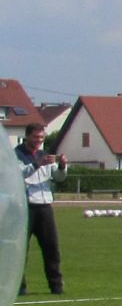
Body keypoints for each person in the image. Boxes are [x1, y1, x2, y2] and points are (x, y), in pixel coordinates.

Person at [14, 124, 69, 296]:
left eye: (41, 138)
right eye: (35, 137)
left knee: (51, 248)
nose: (39, 141)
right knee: (20, 250)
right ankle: (19, 287)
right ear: (27, 136)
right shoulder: (16, 155)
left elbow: (58, 178)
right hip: (25, 207)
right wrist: (37, 164)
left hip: (45, 207)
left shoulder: (44, 155)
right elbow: (18, 174)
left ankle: (56, 286)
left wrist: (61, 166)